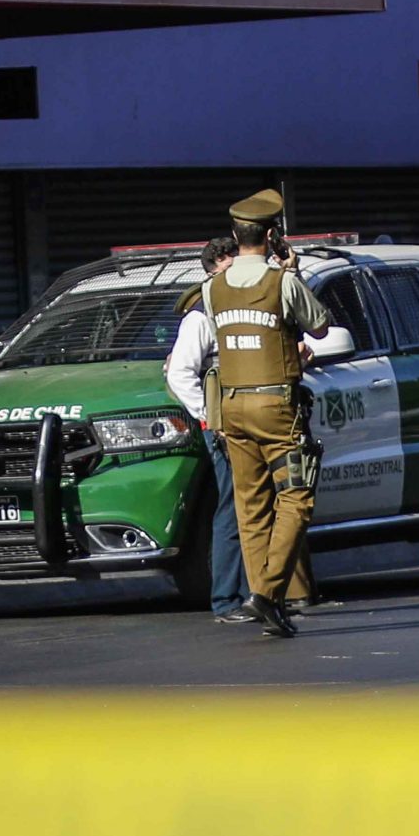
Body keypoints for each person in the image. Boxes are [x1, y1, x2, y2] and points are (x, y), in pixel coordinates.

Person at [206, 188, 331, 638]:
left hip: (232, 406)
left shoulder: (211, 287)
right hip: (276, 405)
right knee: (297, 496)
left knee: (251, 507)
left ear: (235, 236)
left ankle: (265, 599)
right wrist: (291, 270)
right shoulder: (283, 282)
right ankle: (267, 595)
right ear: (273, 234)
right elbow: (320, 325)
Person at [164, 238, 255, 624]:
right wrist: (210, 416)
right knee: (232, 510)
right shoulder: (201, 315)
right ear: (215, 266)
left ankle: (260, 593)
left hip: (253, 419)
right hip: (223, 427)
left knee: (259, 506)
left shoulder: (243, 307)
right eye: (230, 266)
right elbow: (180, 373)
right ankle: (227, 600)